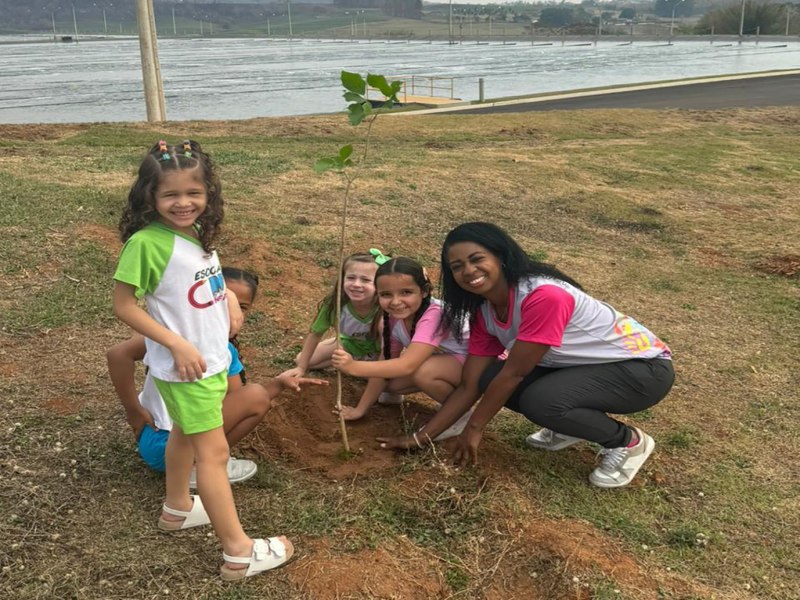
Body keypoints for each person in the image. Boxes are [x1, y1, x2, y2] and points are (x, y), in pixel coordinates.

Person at [112, 139, 292, 580]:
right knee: (213, 454)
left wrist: (228, 295)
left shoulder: (193, 234)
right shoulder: (147, 243)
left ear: (208, 194)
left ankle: (177, 507)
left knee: (185, 438)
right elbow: (125, 305)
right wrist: (176, 344)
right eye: (170, 194)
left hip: (205, 362)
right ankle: (239, 551)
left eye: (193, 192)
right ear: (149, 196)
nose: (183, 202)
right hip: (190, 368)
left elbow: (199, 277)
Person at [378, 222, 674, 489]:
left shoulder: (543, 296)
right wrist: (421, 438)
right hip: (580, 367)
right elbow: (471, 383)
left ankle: (628, 442)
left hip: (642, 370)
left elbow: (515, 373)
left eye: (477, 259)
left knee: (541, 400)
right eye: (456, 266)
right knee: (489, 376)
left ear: (501, 256)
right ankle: (568, 425)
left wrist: (474, 428)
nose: (468, 271)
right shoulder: (483, 311)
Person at [107, 266, 325, 485]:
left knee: (252, 397)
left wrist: (279, 384)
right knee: (257, 396)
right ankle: (202, 467)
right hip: (171, 444)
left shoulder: (181, 338)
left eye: (242, 307)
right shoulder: (197, 344)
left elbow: (118, 355)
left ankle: (198, 463)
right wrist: (133, 411)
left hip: (152, 441)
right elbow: (245, 403)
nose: (230, 313)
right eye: (223, 301)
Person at [331, 257, 470, 439]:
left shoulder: (434, 315)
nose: (396, 302)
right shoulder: (391, 318)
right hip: (447, 364)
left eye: (406, 292)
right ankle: (452, 401)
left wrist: (352, 367)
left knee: (424, 372)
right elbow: (386, 360)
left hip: (477, 366)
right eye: (386, 294)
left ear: (424, 291)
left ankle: (460, 413)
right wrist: (360, 409)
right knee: (388, 383)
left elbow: (407, 365)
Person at [281, 250, 385, 377]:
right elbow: (315, 334)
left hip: (377, 354)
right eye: (351, 278)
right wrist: (301, 368)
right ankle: (347, 362)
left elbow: (388, 351)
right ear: (342, 278)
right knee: (302, 359)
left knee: (382, 382)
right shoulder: (335, 303)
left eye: (365, 280)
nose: (356, 284)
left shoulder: (384, 309)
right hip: (349, 345)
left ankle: (355, 366)